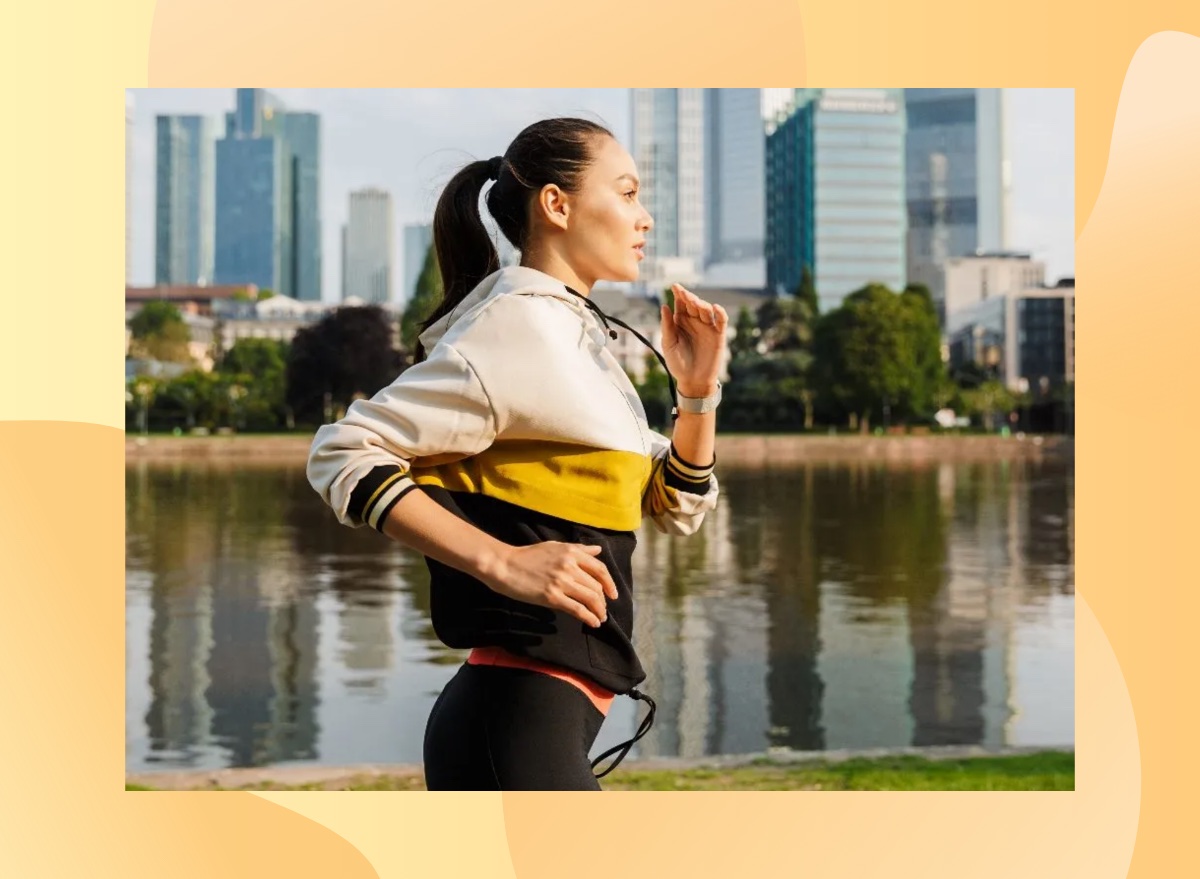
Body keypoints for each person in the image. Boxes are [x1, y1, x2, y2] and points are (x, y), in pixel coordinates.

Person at [306, 116, 727, 790]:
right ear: (556, 204)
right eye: (625, 193)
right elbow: (342, 450)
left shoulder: (577, 339)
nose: (644, 218)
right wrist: (501, 561)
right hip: (513, 722)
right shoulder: (518, 328)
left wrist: (698, 393)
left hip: (536, 724)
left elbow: (677, 504)